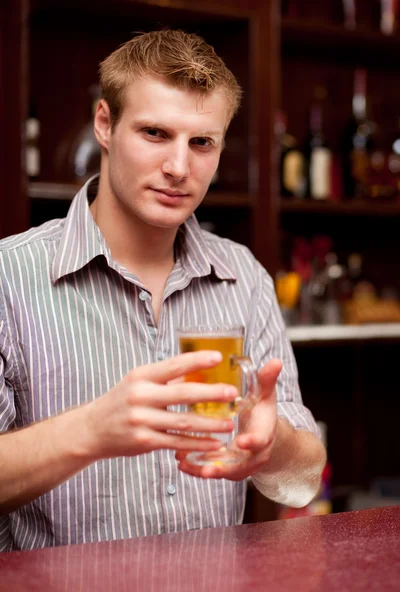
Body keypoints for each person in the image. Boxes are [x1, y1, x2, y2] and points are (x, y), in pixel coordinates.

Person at [0, 29, 326, 552]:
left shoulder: (244, 277)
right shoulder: (9, 276)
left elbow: (303, 481)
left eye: (202, 143)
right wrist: (90, 430)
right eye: (155, 133)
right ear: (104, 123)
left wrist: (272, 447)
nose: (179, 168)